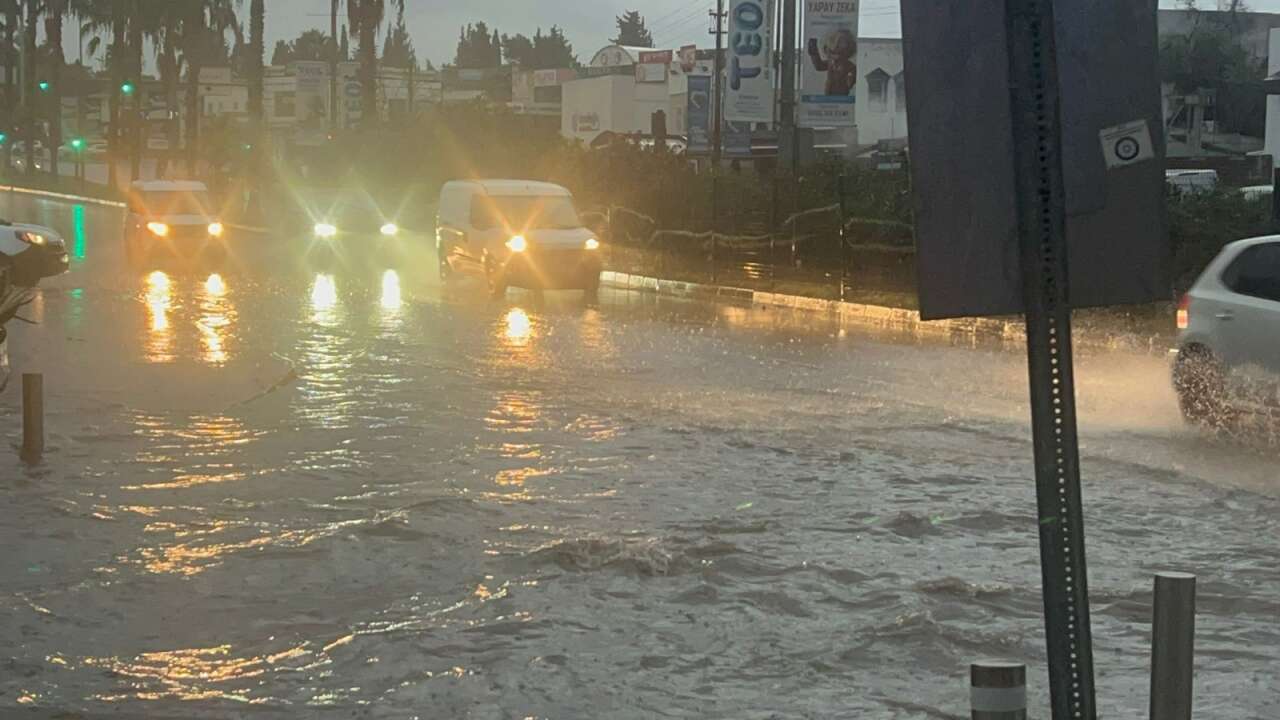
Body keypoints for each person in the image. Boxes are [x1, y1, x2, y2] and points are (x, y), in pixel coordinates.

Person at [807, 29, 857, 97]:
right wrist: (813, 52)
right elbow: (819, 66)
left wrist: (850, 78)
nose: (835, 55)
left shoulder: (850, 66)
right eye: (832, 52)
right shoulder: (831, 62)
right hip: (828, 94)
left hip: (842, 95)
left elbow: (851, 81)